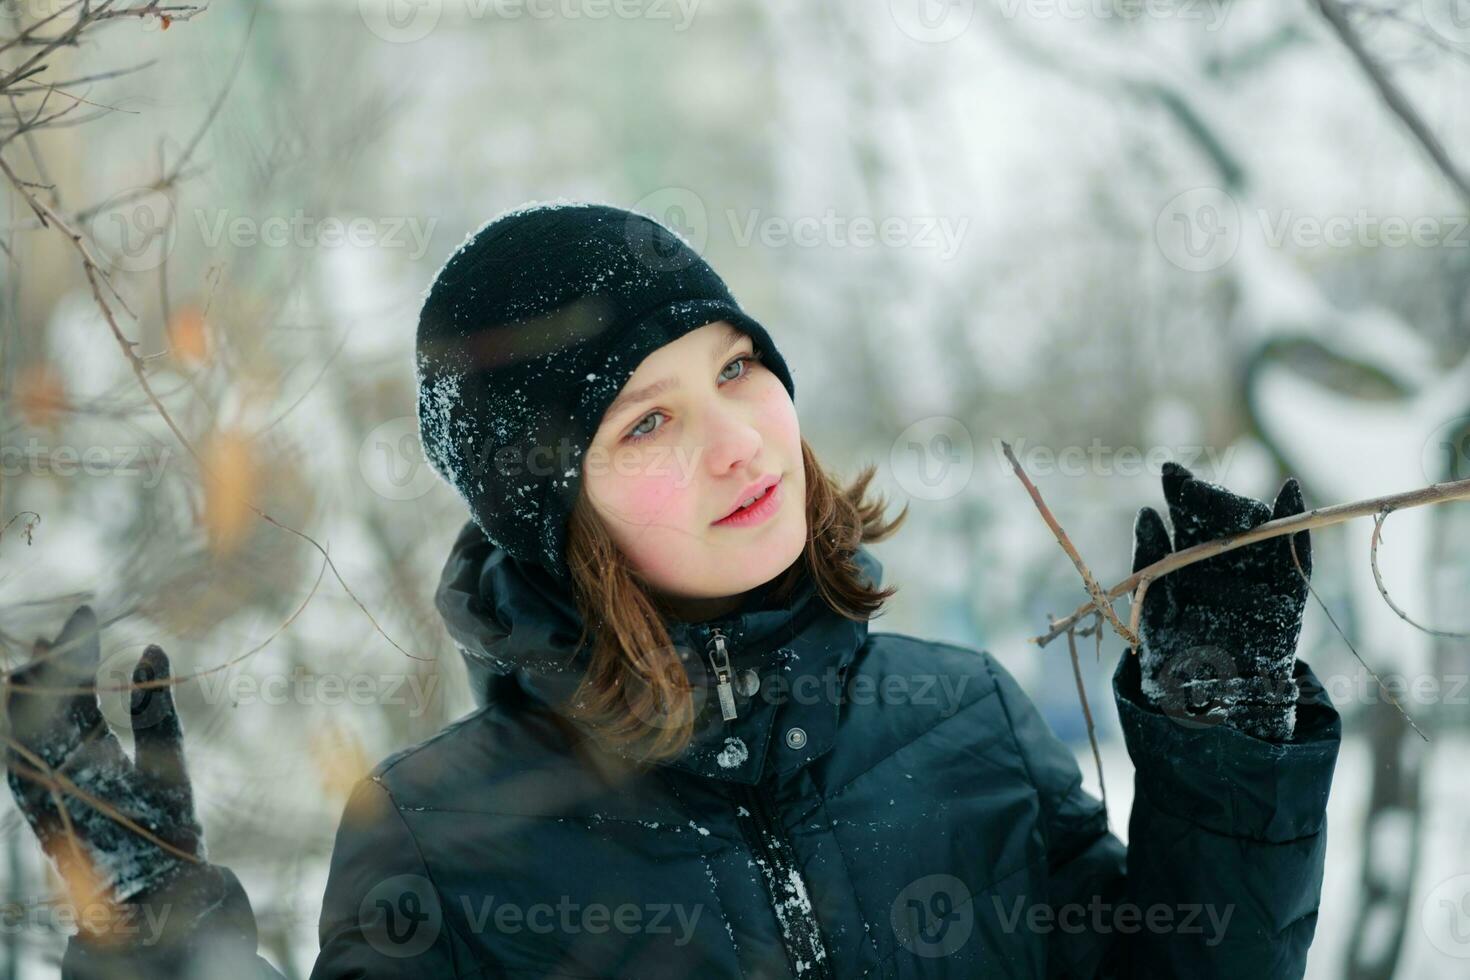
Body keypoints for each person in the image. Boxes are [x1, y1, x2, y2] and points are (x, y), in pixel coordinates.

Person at [4, 202, 1341, 979]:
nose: (735, 439)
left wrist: (1220, 743)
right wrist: (155, 943)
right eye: (642, 422)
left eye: (736, 368)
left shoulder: (962, 720)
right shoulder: (440, 832)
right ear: (552, 509)